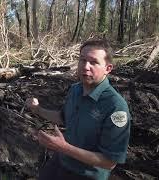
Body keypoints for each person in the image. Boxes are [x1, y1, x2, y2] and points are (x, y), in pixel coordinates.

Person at [26, 39, 131, 180]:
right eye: (82, 60)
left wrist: (63, 148)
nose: (86, 66)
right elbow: (63, 117)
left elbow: (109, 162)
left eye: (93, 62)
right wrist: (37, 109)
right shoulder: (75, 89)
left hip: (86, 175)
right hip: (60, 162)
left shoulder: (116, 106)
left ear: (108, 68)